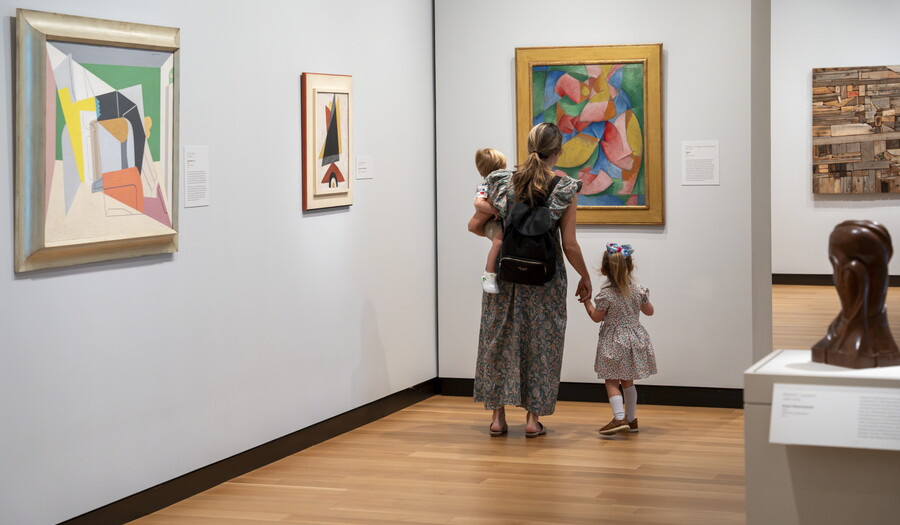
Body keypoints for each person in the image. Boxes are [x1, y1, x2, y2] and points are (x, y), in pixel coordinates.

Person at [471, 122, 592, 438]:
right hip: (545, 279)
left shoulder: (502, 182)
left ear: (529, 147)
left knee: (499, 339)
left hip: (505, 273)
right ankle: (532, 419)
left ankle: (497, 419)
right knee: (542, 343)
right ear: (559, 150)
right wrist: (586, 276)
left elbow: (476, 222)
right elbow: (570, 244)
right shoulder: (564, 188)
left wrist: (498, 237)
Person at [583, 243, 657, 436]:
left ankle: (618, 418)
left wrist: (586, 302)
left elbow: (596, 317)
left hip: (614, 341)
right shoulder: (639, 290)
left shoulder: (606, 295)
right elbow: (649, 312)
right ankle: (632, 420)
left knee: (611, 382)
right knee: (628, 381)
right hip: (634, 339)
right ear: (631, 267)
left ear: (605, 271)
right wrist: (643, 302)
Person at [469, 148, 508, 293]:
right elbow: (478, 203)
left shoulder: (501, 183)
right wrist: (495, 210)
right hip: (490, 222)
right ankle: (489, 275)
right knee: (498, 241)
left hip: (498, 220)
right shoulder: (485, 185)